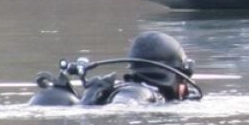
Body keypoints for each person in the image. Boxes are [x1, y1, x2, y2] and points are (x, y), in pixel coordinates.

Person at [28, 31, 201, 106]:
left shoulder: (125, 89)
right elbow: (121, 109)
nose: (186, 89)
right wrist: (87, 102)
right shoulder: (141, 93)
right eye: (183, 79)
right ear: (174, 75)